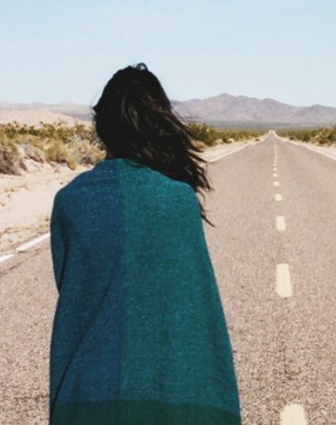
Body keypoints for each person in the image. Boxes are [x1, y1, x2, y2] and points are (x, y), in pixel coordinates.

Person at [49, 64, 241, 424]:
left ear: (101, 127)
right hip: (171, 399)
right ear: (158, 125)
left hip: (88, 397)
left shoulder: (70, 201)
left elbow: (76, 292)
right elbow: (195, 308)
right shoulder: (178, 200)